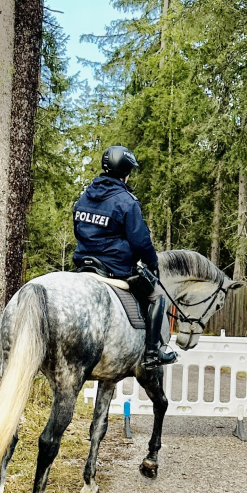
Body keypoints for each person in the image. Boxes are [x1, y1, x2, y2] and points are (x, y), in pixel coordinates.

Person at [71, 146, 177, 367]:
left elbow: (77, 229)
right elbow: (140, 241)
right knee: (157, 296)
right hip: (113, 268)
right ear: (126, 171)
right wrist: (152, 264)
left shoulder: (85, 196)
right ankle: (151, 354)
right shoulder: (126, 201)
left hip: (84, 266)